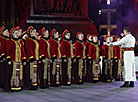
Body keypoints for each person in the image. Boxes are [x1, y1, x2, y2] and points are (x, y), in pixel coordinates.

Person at [5, 26, 26, 91]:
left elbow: (23, 51)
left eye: (17, 33)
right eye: (15, 33)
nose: (17, 35)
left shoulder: (20, 41)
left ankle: (18, 85)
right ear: (12, 34)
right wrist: (8, 59)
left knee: (19, 73)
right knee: (13, 73)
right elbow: (8, 51)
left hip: (19, 60)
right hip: (13, 60)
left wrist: (24, 59)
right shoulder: (10, 41)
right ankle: (13, 86)